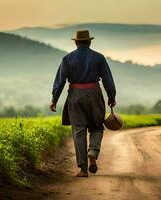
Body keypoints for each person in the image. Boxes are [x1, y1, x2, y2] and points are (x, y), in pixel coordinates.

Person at [49, 30, 116, 177]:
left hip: (75, 95)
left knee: (78, 131)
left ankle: (83, 169)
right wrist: (111, 97)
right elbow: (108, 80)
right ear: (90, 42)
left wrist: (54, 100)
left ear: (76, 42)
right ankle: (93, 151)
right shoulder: (99, 58)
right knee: (97, 127)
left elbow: (60, 82)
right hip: (95, 94)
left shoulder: (67, 59)